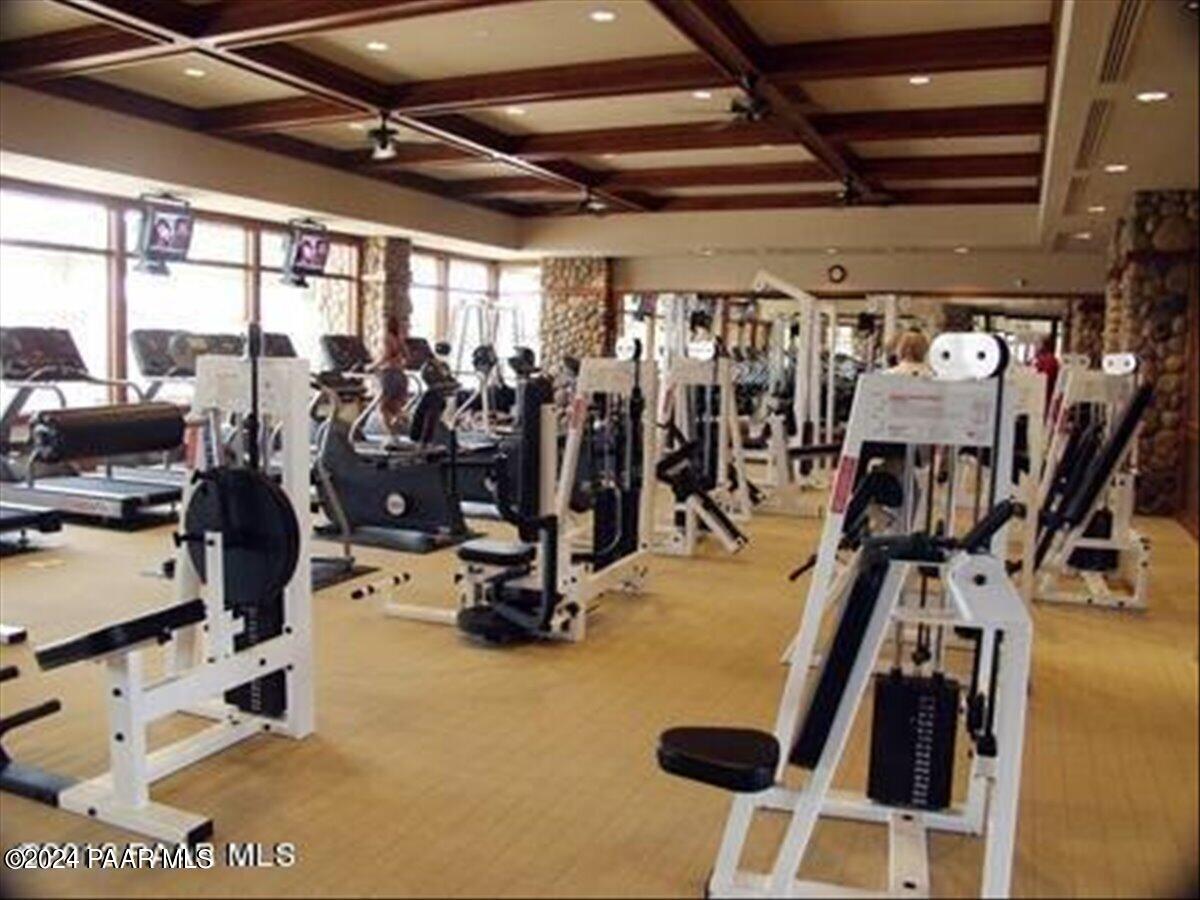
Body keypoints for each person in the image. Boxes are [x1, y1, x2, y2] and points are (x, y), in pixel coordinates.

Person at [368, 315, 409, 443]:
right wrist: (399, 362)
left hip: (388, 374)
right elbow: (407, 355)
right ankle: (398, 435)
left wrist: (370, 366)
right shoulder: (399, 338)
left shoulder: (386, 337)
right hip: (400, 374)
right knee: (396, 408)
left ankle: (392, 436)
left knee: (382, 408)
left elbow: (385, 356)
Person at [1033, 335, 1060, 409]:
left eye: (1037, 343)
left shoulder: (1049, 360)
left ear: (1043, 345)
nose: (1035, 346)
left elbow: (1045, 379)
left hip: (1044, 395)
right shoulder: (1042, 359)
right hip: (1042, 394)